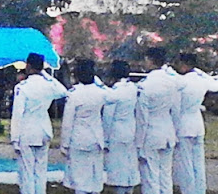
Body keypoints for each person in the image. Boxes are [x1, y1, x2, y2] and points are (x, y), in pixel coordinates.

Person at [11, 52, 68, 194]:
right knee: (41, 171)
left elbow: (18, 114)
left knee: (27, 172)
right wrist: (46, 74)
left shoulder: (22, 87)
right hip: (44, 129)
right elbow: (63, 91)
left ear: (28, 66)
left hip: (27, 131)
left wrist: (14, 138)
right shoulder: (48, 85)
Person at [135, 47, 185, 194]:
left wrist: (139, 143)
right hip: (168, 131)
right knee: (165, 176)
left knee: (151, 177)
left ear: (150, 61)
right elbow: (176, 111)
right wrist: (175, 132)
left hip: (151, 134)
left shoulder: (145, 85)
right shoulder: (172, 82)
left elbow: (142, 118)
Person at [172, 53, 218, 194]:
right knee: (198, 164)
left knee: (186, 164)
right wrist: (200, 72)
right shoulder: (201, 80)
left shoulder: (182, 81)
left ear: (184, 64)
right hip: (197, 123)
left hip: (184, 124)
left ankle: (189, 191)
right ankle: (200, 190)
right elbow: (215, 86)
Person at [60, 58, 111, 194]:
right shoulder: (101, 93)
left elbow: (67, 123)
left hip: (79, 139)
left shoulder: (74, 94)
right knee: (95, 177)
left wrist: (64, 144)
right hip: (96, 138)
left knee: (80, 179)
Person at [102, 60, 140, 194]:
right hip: (131, 128)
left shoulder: (114, 93)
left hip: (117, 131)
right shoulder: (133, 88)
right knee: (130, 163)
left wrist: (105, 140)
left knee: (118, 166)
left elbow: (108, 118)